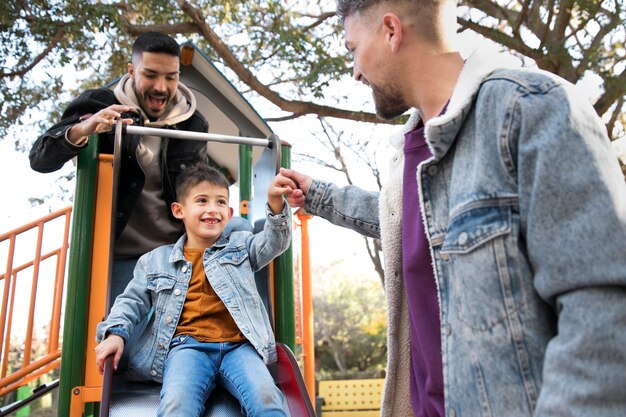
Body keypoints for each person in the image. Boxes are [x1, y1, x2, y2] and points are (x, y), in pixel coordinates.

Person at [281, 1, 626, 416]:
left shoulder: (529, 108)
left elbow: (603, 310)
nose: (354, 70)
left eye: (353, 49)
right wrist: (317, 195)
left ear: (391, 31)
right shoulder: (410, 151)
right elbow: (405, 225)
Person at [29, 31, 228, 299]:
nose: (161, 87)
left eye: (171, 77)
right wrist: (82, 130)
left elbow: (199, 188)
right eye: (151, 74)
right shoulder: (100, 105)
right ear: (132, 71)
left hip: (173, 254)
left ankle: (263, 338)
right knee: (117, 332)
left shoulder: (193, 124)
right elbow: (40, 159)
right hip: (118, 255)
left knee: (241, 233)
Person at [95, 163, 296, 417]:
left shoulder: (241, 247)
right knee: (176, 406)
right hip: (187, 349)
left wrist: (276, 204)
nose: (213, 209)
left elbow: (274, 242)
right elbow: (131, 301)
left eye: (221, 202)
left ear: (230, 211)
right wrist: (116, 334)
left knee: (267, 400)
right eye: (202, 200)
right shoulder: (155, 261)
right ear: (179, 210)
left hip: (240, 348)